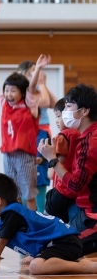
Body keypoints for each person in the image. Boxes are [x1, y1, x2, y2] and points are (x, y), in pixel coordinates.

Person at [0, 174, 97, 275]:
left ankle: (83, 266)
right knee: (35, 263)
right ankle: (83, 262)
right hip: (63, 244)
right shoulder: (11, 215)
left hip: (65, 243)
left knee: (36, 266)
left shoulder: (12, 214)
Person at [0, 55, 45, 211]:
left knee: (29, 194)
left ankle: (31, 224)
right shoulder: (5, 104)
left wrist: (38, 68)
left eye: (13, 91)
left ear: (22, 93)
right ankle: (18, 222)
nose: (8, 94)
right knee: (14, 193)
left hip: (24, 155)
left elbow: (32, 87)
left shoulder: (29, 105)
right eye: (6, 90)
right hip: (8, 155)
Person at [38, 84, 97, 248]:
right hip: (83, 208)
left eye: (69, 107)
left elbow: (76, 184)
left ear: (84, 111)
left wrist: (52, 159)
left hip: (91, 215)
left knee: (45, 259)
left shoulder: (89, 141)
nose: (65, 113)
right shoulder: (85, 136)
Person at [18, 59, 59, 213]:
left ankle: (40, 212)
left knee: (41, 176)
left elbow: (55, 103)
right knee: (31, 174)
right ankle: (29, 213)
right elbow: (44, 102)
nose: (37, 74)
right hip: (33, 134)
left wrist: (44, 85)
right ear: (24, 75)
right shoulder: (24, 91)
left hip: (43, 133)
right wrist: (41, 84)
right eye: (33, 72)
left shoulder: (38, 89)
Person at [44, 98, 80, 223]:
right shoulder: (79, 134)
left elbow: (52, 172)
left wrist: (49, 156)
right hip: (73, 189)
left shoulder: (62, 137)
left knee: (47, 221)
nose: (57, 121)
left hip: (62, 189)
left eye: (59, 116)